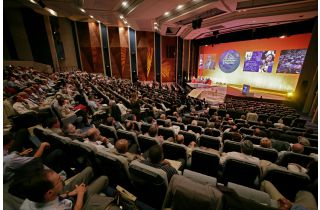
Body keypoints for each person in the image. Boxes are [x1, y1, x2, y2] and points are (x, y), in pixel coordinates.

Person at [19, 167, 114, 210]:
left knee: (88, 169)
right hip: (76, 206)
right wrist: (80, 194)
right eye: (59, 180)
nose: (62, 179)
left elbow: (52, 198)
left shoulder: (31, 198)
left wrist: (70, 194)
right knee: (104, 178)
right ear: (49, 192)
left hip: (63, 198)